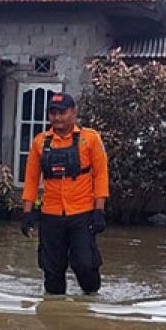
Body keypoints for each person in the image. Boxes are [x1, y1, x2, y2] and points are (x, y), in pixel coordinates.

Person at [19, 92, 109, 295]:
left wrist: (99, 210)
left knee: (85, 265)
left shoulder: (90, 139)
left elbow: (101, 175)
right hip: (51, 215)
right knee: (52, 272)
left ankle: (92, 303)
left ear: (73, 113)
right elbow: (31, 180)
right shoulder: (40, 142)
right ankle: (54, 316)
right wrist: (26, 214)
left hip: (82, 213)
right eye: (53, 113)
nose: (57, 118)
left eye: (62, 112)